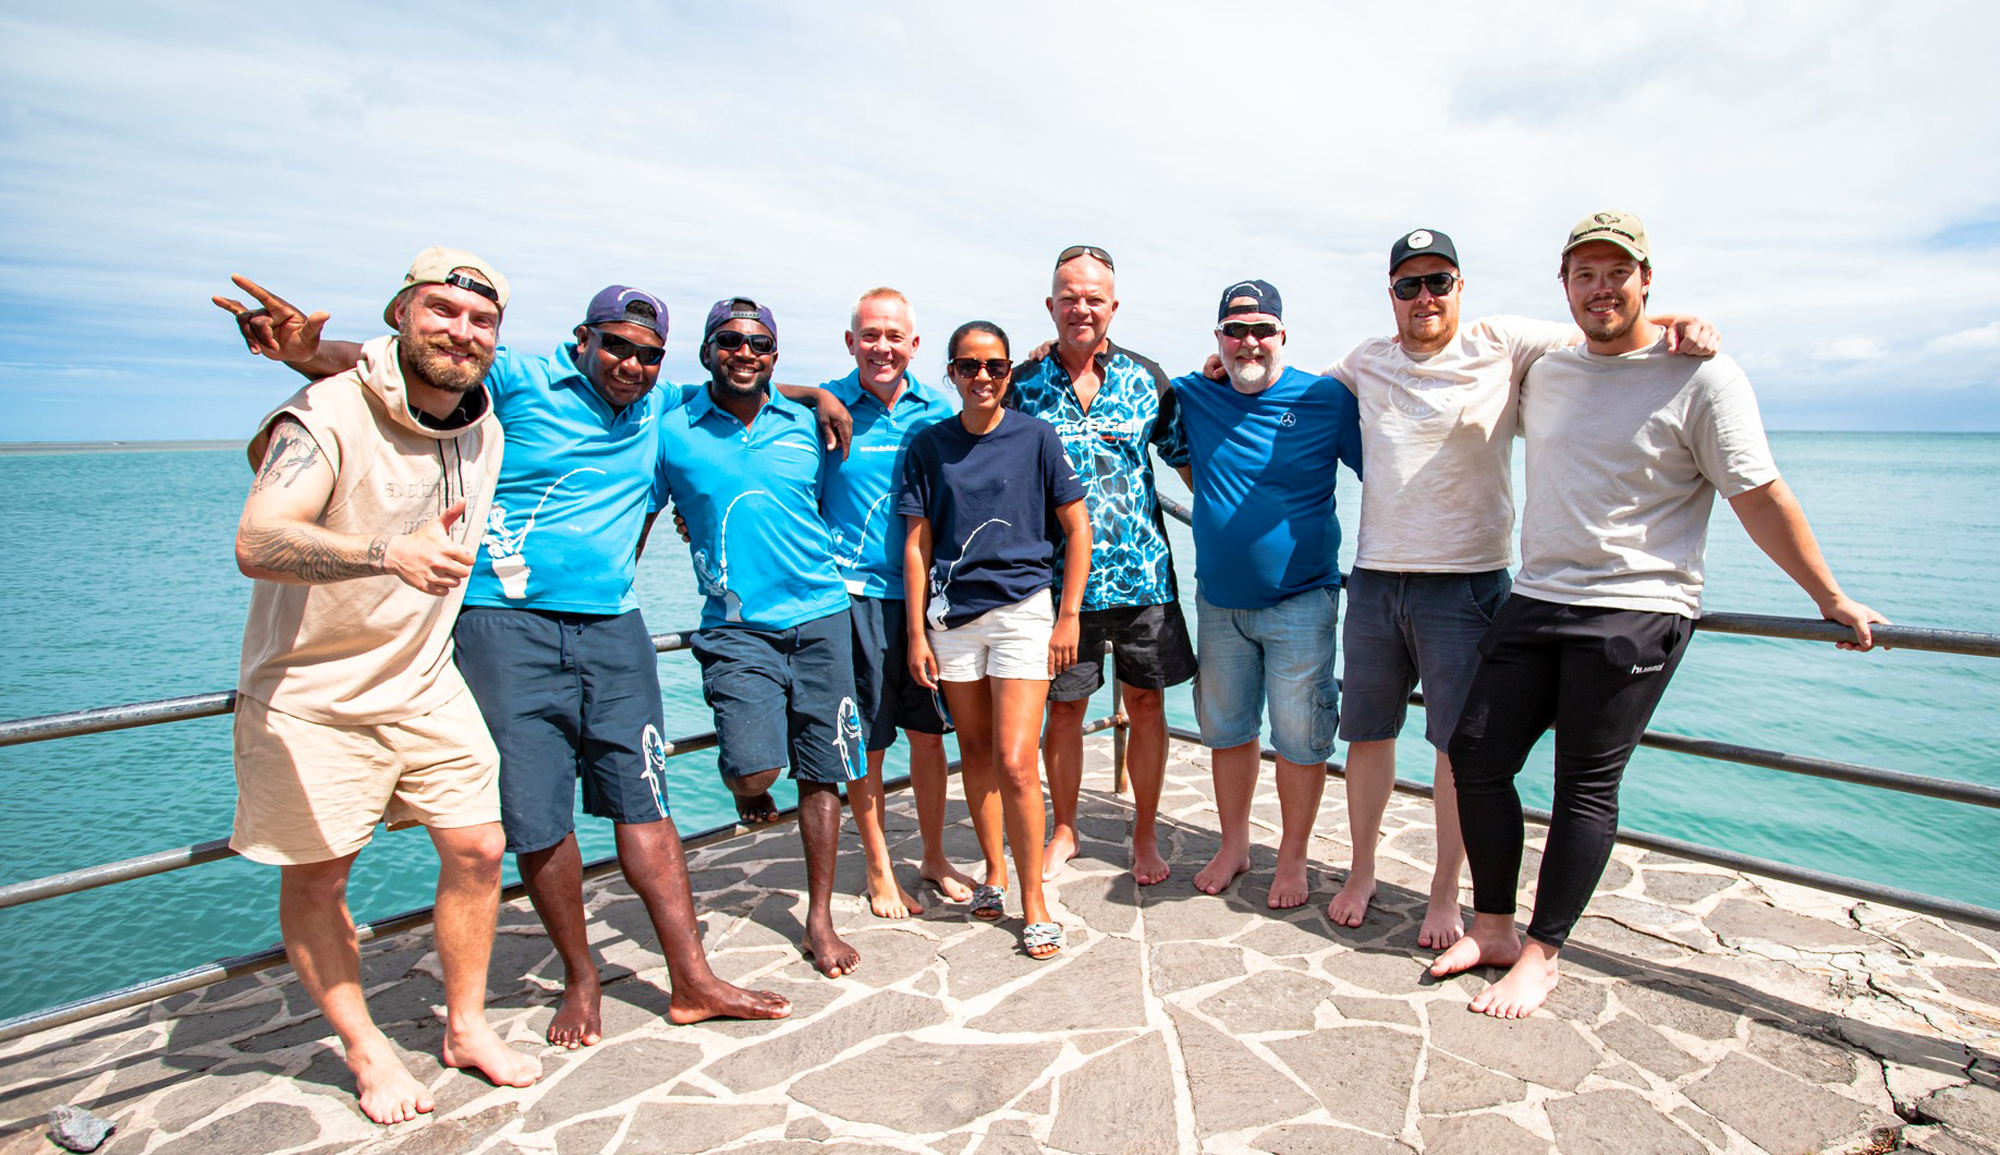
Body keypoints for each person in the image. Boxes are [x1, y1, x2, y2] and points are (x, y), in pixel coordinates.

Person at [213, 279, 809, 1046]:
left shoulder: (658, 405)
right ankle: (581, 975)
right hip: (504, 628)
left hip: (614, 628)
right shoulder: (519, 378)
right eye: (618, 345)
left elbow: (736, 380)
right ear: (582, 339)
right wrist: (305, 357)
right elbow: (417, 368)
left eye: (648, 354)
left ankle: (692, 978)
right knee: (536, 813)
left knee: (647, 801)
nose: (632, 363)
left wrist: (818, 398)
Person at [1429, 211, 1887, 1017]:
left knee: (1583, 782)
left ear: (1647, 278)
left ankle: (1543, 951)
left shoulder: (1706, 378)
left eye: (1617, 273)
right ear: (1565, 286)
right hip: (1538, 596)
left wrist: (1829, 596)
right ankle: (1494, 925)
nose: (1601, 288)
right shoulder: (1551, 367)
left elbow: (1759, 493)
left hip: (1638, 607)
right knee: (1475, 753)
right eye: (1585, 274)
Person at [1256, 227, 1722, 948]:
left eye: (1437, 281)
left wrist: (1677, 320)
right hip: (1376, 580)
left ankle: (1445, 893)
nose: (1424, 297)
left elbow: (1601, 319)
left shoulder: (1503, 342)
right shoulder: (1364, 360)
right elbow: (1293, 392)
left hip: (1467, 587)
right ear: (1391, 295)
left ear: (1459, 287)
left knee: (1458, 751)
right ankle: (1362, 869)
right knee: (1369, 736)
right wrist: (1225, 364)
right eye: (1408, 285)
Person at [227, 248, 539, 1123]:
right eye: (441, 311)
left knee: (479, 850)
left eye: (482, 321)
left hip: (424, 682)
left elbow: (417, 383)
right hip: (311, 696)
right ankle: (366, 1050)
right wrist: (384, 551)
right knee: (321, 882)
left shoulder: (482, 423)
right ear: (401, 313)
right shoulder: (321, 414)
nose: (461, 332)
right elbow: (258, 539)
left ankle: (466, 1025)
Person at [659, 297, 868, 978]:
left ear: (775, 355)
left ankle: (819, 915)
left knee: (825, 771)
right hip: (737, 625)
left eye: (758, 344)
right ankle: (747, 789)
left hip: (823, 614)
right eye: (729, 341)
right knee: (756, 767)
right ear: (706, 348)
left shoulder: (805, 421)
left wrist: (808, 394)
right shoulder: (672, 426)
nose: (744, 353)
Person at [1163, 281, 1361, 910]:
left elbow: (1386, 470)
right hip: (1219, 601)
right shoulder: (1192, 393)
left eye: (1262, 329)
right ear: (1217, 338)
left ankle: (1294, 858)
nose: (1250, 341)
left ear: (1283, 335)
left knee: (1301, 738)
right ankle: (1234, 844)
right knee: (1227, 731)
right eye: (1235, 329)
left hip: (1302, 600)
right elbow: (1127, 412)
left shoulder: (1326, 397)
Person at [902, 321, 1091, 959]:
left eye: (996, 366)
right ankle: (993, 872)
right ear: (951, 372)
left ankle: (1034, 899)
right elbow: (917, 544)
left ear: (1010, 371)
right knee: (975, 752)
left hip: (1023, 612)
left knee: (1015, 760)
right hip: (951, 619)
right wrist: (915, 635)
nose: (983, 377)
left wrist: (1068, 617)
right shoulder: (929, 445)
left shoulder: (1036, 437)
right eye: (969, 366)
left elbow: (1077, 527)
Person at [1010, 245, 1197, 885]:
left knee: (1146, 708)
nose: (1081, 307)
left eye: (1094, 298)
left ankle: (1144, 834)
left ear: (1113, 307)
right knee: (1062, 711)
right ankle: (1066, 829)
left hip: (1145, 577)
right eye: (1070, 296)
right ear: (1051, 305)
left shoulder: (1150, 379)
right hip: (1058, 586)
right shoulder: (1021, 383)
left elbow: (1190, 465)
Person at [818, 288, 971, 918]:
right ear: (851, 342)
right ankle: (880, 867)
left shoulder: (939, 410)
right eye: (870, 335)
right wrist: (814, 393)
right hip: (852, 597)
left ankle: (933, 856)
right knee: (868, 743)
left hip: (928, 600)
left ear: (915, 345)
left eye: (895, 336)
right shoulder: (821, 409)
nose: (882, 346)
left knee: (930, 739)